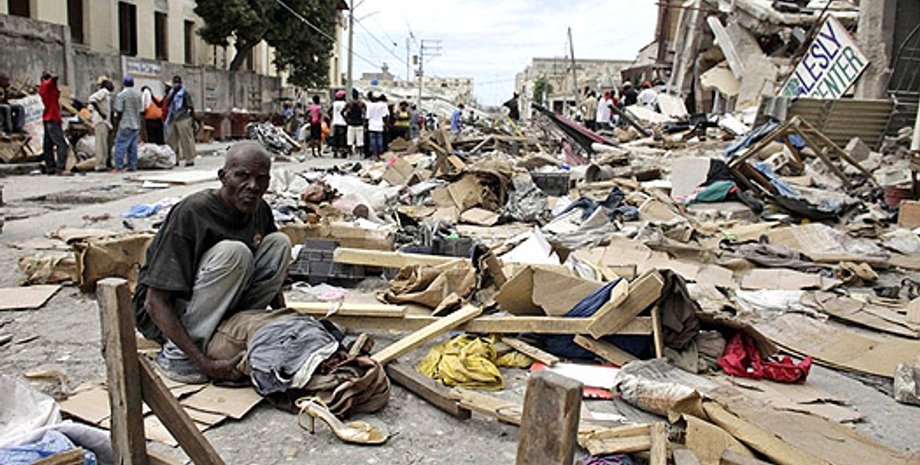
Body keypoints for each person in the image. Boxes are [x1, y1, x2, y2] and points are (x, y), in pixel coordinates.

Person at [134, 141, 291, 384]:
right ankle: (176, 356)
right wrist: (203, 363)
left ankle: (221, 332)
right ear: (223, 177)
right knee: (235, 253)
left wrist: (284, 318)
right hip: (166, 314)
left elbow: (272, 273)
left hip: (220, 305)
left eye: (261, 179)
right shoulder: (192, 212)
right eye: (242, 176)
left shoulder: (259, 210)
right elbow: (155, 301)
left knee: (279, 243)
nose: (253, 186)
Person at [38, 71, 70, 175]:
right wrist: (51, 75)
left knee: (48, 145)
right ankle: (61, 168)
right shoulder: (47, 87)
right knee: (61, 144)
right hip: (53, 118)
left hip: (47, 118)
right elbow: (54, 78)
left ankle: (50, 168)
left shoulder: (43, 88)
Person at [112, 75, 143, 172]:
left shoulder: (121, 95)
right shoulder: (138, 95)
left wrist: (116, 124)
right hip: (136, 124)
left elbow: (119, 111)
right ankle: (132, 166)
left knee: (120, 146)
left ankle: (119, 166)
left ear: (124, 84)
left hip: (125, 124)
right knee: (132, 147)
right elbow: (141, 111)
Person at [165, 75, 196, 167]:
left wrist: (193, 120)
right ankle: (175, 159)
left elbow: (191, 107)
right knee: (171, 140)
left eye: (177, 83)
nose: (176, 85)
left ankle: (189, 159)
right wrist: (172, 94)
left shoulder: (185, 93)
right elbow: (167, 104)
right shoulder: (171, 93)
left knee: (186, 140)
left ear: (181, 83)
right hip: (172, 119)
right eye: (174, 83)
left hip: (183, 118)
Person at [88, 76, 114, 172]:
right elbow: (92, 99)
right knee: (101, 144)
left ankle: (103, 163)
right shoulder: (103, 92)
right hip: (101, 121)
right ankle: (100, 165)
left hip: (104, 122)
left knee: (103, 144)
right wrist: (101, 113)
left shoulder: (107, 94)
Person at [366, 92, 389, 159]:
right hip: (380, 125)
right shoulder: (383, 105)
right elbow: (385, 116)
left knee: (372, 141)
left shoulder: (369, 105)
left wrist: (366, 125)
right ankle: (379, 155)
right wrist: (386, 125)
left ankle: (374, 154)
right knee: (380, 141)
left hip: (371, 125)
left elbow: (367, 117)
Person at [330, 90, 347, 158]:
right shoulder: (344, 103)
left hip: (335, 122)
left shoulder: (334, 103)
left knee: (335, 138)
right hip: (343, 123)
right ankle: (343, 152)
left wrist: (332, 117)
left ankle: (335, 152)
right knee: (342, 138)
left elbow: (329, 111)